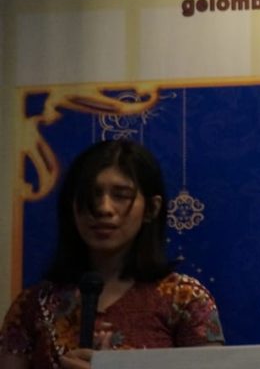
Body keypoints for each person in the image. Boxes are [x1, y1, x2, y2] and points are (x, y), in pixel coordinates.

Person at [0, 139, 224, 369]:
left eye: (121, 195)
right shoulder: (33, 304)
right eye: (91, 194)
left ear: (151, 208)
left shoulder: (184, 299)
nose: (103, 208)